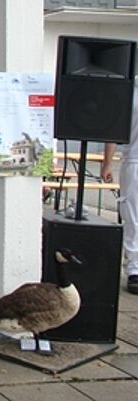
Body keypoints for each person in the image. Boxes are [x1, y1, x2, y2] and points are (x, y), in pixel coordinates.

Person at [101, 84, 138, 295]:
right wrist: (108, 162)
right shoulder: (130, 88)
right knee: (133, 216)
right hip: (134, 158)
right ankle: (134, 268)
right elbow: (114, 127)